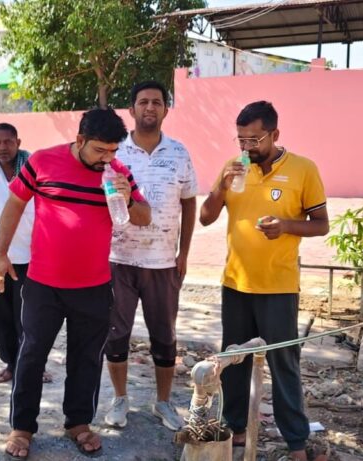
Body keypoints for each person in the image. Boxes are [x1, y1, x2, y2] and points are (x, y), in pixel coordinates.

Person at [0, 108, 151, 460]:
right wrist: (0, 254)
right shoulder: (43, 162)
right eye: (99, 150)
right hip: (43, 284)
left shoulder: (117, 172)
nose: (106, 158)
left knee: (87, 357)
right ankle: (22, 426)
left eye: (113, 151)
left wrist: (127, 197)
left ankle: (78, 422)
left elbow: (144, 216)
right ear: (80, 140)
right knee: (31, 355)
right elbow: (14, 205)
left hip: (94, 286)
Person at [199, 101, 329, 461]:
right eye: (241, 139)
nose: (247, 147)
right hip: (236, 283)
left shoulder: (303, 169)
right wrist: (221, 188)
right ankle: (235, 429)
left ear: (275, 134)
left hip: (278, 286)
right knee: (234, 361)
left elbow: (321, 224)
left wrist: (285, 226)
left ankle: (297, 443)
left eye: (254, 140)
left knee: (283, 364)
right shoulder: (233, 167)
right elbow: (206, 217)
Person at [103, 81, 198, 432]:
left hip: (162, 261)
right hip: (119, 259)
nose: (150, 107)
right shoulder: (114, 152)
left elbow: (189, 203)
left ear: (165, 110)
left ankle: (163, 402)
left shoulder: (179, 153)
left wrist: (184, 252)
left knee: (164, 336)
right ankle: (120, 399)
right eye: (143, 102)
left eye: (157, 102)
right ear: (131, 109)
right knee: (116, 334)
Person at [0, 123, 49, 384]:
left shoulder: (33, 169)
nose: (2, 147)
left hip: (29, 256)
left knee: (29, 317)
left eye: (7, 142)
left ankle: (33, 365)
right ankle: (12, 364)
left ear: (18, 142)